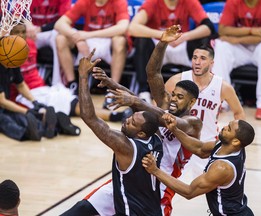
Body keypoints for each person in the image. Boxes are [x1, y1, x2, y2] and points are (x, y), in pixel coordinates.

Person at [61, 26, 202, 216]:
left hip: (160, 182)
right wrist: (162, 43)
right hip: (137, 167)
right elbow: (153, 73)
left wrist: (134, 100)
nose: (174, 100)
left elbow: (167, 120)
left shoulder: (193, 122)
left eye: (180, 97)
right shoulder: (165, 105)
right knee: (83, 208)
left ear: (192, 102)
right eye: (174, 95)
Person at [76, 49, 164, 215]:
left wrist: (82, 76)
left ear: (141, 134)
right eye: (130, 117)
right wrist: (111, 83)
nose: (126, 121)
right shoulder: (156, 139)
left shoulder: (126, 147)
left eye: (131, 123)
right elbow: (137, 105)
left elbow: (89, 117)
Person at [157, 25, 245, 188]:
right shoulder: (177, 80)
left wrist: (232, 140)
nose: (197, 62)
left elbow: (239, 114)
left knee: (205, 190)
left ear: (212, 63)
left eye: (202, 58)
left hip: (206, 146)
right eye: (195, 57)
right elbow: (158, 107)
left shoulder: (223, 86)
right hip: (178, 142)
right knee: (169, 186)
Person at [10, 23, 132, 123]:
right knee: (48, 110)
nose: (21, 36)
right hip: (24, 96)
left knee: (77, 104)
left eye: (23, 32)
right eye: (16, 32)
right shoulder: (6, 53)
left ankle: (116, 116)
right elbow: (16, 84)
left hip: (43, 89)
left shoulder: (30, 44)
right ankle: (54, 124)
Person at [143, 113, 255, 216]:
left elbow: (189, 192)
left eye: (229, 129)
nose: (224, 127)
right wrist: (175, 130)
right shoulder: (229, 145)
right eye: (227, 125)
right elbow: (200, 149)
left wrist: (155, 170)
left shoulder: (222, 168)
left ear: (235, 142)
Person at [212, 0, 261, 120]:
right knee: (221, 44)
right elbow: (222, 30)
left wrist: (237, 39)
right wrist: (251, 30)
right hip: (243, 47)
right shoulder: (233, 2)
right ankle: (221, 99)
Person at [128, 0, 216, 103]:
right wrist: (164, 35)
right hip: (159, 46)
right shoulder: (153, 2)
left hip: (181, 44)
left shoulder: (189, 2)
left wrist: (184, 36)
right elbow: (133, 27)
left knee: (204, 39)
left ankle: (202, 92)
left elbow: (209, 27)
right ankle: (144, 92)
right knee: (141, 41)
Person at [54, 0, 130, 97]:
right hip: (87, 42)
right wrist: (77, 38)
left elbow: (123, 27)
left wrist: (88, 35)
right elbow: (59, 24)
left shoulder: (119, 2)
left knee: (120, 41)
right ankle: (72, 84)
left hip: (107, 40)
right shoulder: (84, 2)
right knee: (60, 39)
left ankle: (113, 89)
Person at [25, 0, 71, 86]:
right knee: (21, 39)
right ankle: (24, 80)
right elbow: (19, 14)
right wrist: (29, 26)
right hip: (33, 31)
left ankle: (58, 83)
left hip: (53, 30)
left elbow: (63, 21)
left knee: (59, 38)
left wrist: (41, 29)